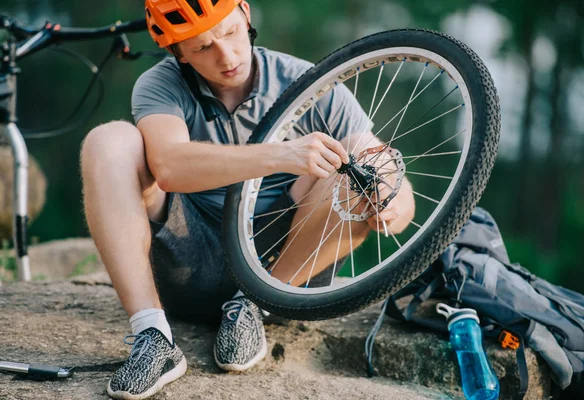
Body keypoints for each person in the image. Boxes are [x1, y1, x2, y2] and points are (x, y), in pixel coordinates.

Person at [79, 0, 416, 398]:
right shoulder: (161, 84)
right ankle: (152, 334)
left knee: (361, 171)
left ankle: (252, 306)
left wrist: (391, 206)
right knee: (108, 141)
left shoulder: (309, 82)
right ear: (177, 52)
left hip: (282, 268)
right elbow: (170, 168)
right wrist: (281, 155)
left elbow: (384, 168)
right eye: (202, 48)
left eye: (229, 32)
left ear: (247, 15)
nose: (226, 56)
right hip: (189, 257)